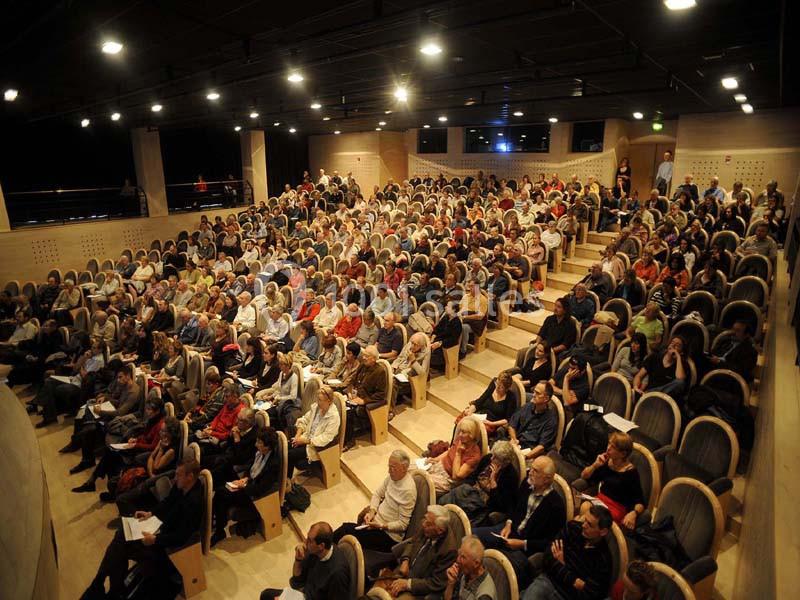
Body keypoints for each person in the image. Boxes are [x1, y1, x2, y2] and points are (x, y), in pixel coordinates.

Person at [80, 458, 203, 600]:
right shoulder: (181, 487)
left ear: (190, 477)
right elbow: (167, 503)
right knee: (121, 537)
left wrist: (155, 539)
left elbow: (181, 537)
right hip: (161, 533)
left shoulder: (194, 502)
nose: (175, 478)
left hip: (170, 549)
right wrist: (150, 513)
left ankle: (103, 586)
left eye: (179, 475)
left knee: (121, 543)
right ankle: (107, 587)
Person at [474, 456, 566, 587]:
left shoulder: (556, 506)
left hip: (525, 550)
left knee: (493, 569)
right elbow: (514, 507)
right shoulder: (526, 484)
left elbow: (550, 542)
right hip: (507, 532)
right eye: (531, 468)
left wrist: (523, 544)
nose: (530, 472)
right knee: (472, 538)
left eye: (535, 471)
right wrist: (509, 523)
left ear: (546, 479)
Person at [521, 505, 613, 600]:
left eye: (589, 524)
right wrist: (574, 580)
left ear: (603, 532)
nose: (583, 525)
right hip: (548, 583)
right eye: (585, 520)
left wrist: (562, 566)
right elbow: (548, 557)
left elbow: (589, 595)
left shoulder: (604, 560)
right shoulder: (572, 528)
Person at [333, 450, 417, 552]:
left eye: (393, 467)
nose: (389, 471)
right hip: (377, 522)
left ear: (404, 468)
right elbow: (377, 494)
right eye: (389, 466)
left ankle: (326, 550)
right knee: (350, 529)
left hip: (388, 536)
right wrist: (372, 512)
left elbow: (403, 525)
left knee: (345, 530)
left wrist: (381, 526)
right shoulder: (392, 477)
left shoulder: (408, 491)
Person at [211, 427, 282, 545]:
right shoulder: (260, 453)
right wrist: (245, 479)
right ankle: (216, 520)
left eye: (259, 442)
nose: (256, 444)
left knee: (221, 493)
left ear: (267, 446)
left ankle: (219, 530)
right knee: (222, 486)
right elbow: (252, 469)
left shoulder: (273, 464)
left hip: (256, 497)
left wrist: (242, 487)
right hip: (249, 486)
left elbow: (260, 489)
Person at [370, 505, 458, 599]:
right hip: (403, 573)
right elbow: (411, 542)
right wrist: (405, 560)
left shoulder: (448, 550)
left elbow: (436, 583)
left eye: (428, 524)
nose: (423, 524)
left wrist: (408, 584)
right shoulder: (426, 526)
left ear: (440, 531)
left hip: (418, 590)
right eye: (425, 519)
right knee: (374, 593)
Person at [259, 522, 350, 600]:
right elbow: (297, 582)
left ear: (321, 546)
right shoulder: (314, 552)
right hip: (304, 595)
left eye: (310, 540)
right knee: (266, 595)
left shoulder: (338, 574)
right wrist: (298, 559)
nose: (305, 542)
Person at [439, 440, 519, 526]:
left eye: (496, 458)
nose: (492, 459)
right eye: (493, 455)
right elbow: (473, 476)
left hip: (484, 503)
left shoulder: (510, 476)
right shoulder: (488, 459)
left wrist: (493, 484)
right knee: (451, 496)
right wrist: (468, 487)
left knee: (460, 513)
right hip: (471, 490)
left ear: (505, 463)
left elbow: (502, 505)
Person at [579, 432, 645, 528]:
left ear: (623, 454)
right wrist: (595, 465)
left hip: (616, 508)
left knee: (585, 518)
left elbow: (640, 502)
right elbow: (584, 476)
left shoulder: (631, 473)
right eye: (609, 444)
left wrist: (634, 513)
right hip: (600, 501)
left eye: (613, 447)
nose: (608, 448)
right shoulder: (606, 461)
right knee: (585, 508)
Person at [287, 385, 341, 478]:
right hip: (306, 438)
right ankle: (286, 480)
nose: (317, 402)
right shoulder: (317, 407)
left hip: (317, 447)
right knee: (286, 447)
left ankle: (287, 483)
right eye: (317, 399)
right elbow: (304, 420)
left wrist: (304, 441)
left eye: (320, 400)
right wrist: (297, 436)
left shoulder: (334, 417)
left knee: (289, 455)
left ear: (329, 401)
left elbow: (325, 439)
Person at [423, 417, 483, 495]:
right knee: (412, 469)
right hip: (440, 466)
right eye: (460, 431)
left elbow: (455, 476)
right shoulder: (461, 439)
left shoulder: (475, 455)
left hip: (448, 479)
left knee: (421, 482)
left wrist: (458, 453)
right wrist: (435, 459)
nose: (460, 434)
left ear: (472, 435)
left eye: (464, 432)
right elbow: (449, 451)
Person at [343, 345, 387, 448]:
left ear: (374, 358)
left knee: (348, 413)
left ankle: (349, 441)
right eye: (364, 355)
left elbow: (381, 394)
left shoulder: (380, 372)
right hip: (353, 396)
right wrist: (350, 392)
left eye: (367, 356)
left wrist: (364, 401)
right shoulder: (363, 365)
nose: (363, 358)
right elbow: (353, 381)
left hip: (365, 402)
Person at [458, 371, 518, 439]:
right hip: (481, 415)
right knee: (462, 420)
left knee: (474, 431)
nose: (497, 388)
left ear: (507, 389)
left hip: (492, 422)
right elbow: (480, 401)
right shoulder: (493, 385)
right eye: (497, 384)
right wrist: (470, 410)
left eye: (501, 387)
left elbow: (508, 419)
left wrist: (491, 423)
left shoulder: (511, 397)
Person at [508, 381, 559, 459]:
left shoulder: (551, 420)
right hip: (516, 444)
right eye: (534, 392)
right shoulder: (527, 406)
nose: (533, 395)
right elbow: (512, 424)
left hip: (530, 452)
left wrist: (524, 457)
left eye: (538, 393)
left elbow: (542, 447)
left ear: (546, 398)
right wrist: (514, 440)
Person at [444, 536, 497, 600]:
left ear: (476, 563)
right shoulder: (466, 573)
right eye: (459, 554)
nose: (458, 560)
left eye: (463, 557)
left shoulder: (484, 596)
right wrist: (451, 583)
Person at [430, 301, 464, 367]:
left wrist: (440, 343)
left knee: (428, 358)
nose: (445, 307)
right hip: (437, 342)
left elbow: (453, 340)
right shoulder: (446, 318)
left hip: (446, 346)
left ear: (454, 310)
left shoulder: (457, 322)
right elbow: (437, 329)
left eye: (448, 306)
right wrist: (433, 337)